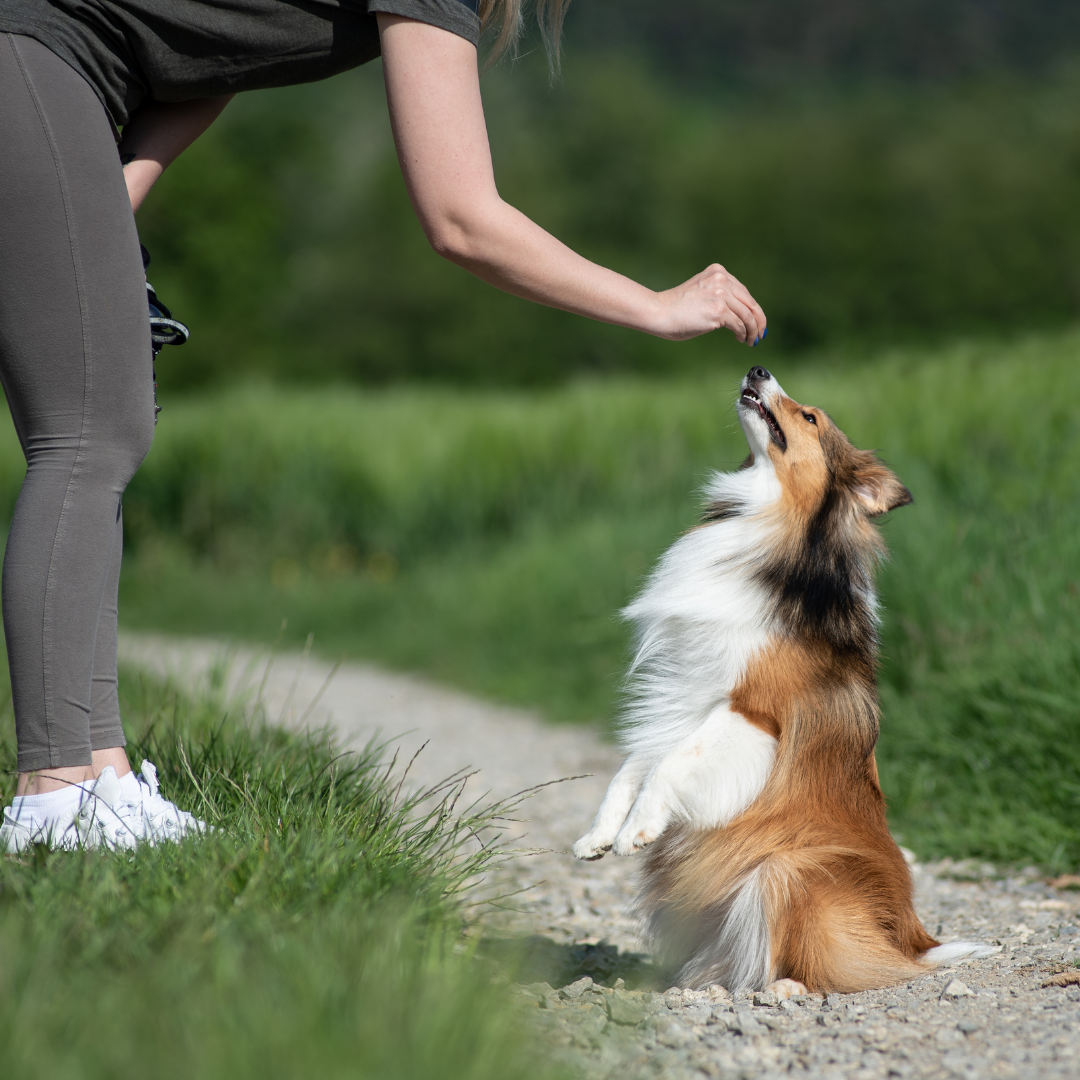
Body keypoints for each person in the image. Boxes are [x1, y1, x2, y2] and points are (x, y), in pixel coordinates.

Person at [0, 0, 767, 852]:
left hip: (52, 79)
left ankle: (97, 776)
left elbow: (205, 54)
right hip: (30, 59)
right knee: (88, 437)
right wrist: (655, 307)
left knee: (111, 427)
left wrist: (107, 207)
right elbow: (461, 219)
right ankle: (56, 789)